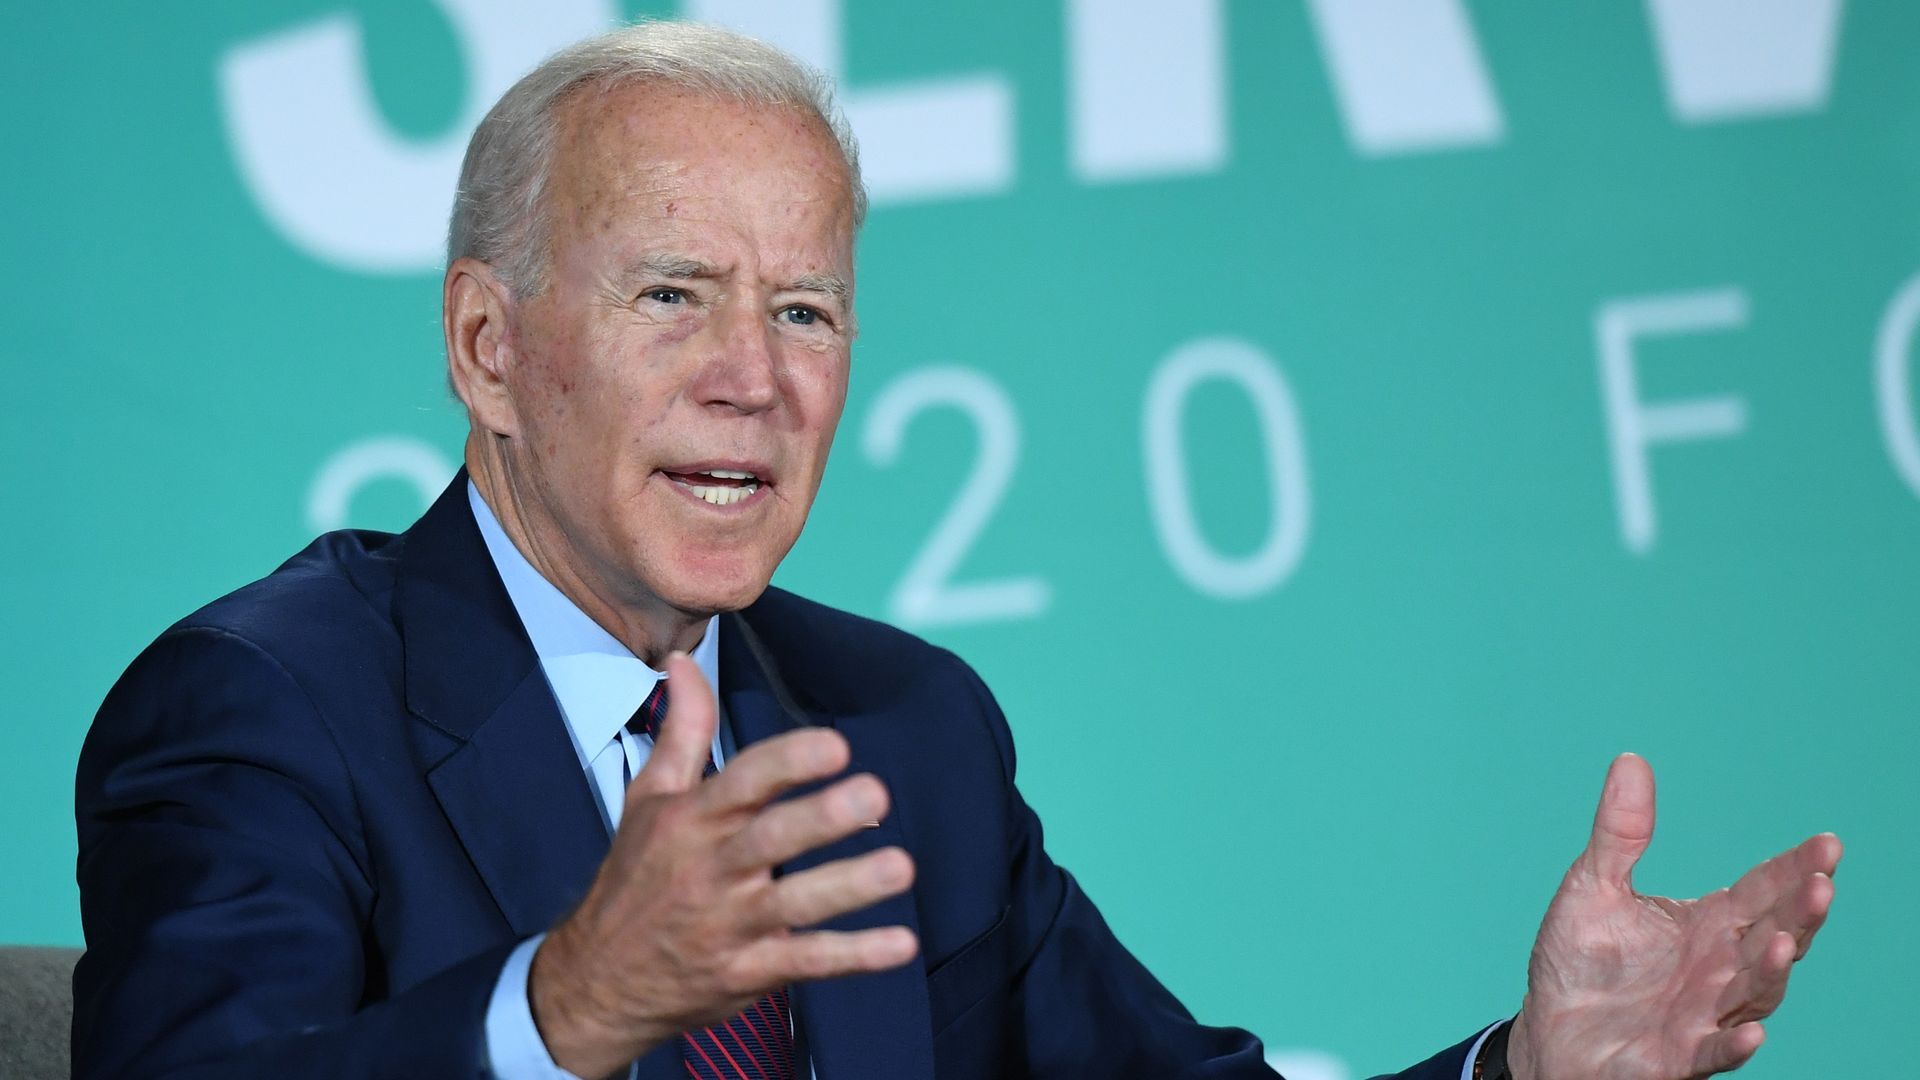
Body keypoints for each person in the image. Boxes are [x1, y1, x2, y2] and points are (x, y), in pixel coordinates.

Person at [72, 21, 1841, 1080]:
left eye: (809, 311)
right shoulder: (261, 705)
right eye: (674, 294)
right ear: (488, 350)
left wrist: (1527, 1070)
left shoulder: (900, 730)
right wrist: (569, 1006)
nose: (754, 380)